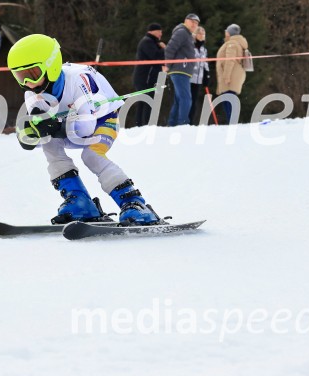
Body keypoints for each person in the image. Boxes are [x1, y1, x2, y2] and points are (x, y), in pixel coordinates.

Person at [10, 34, 161, 226]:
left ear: (51, 65)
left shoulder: (76, 79)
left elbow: (86, 127)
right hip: (69, 127)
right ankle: (79, 202)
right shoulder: (31, 93)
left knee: (91, 155)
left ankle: (134, 203)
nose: (28, 84)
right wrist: (30, 136)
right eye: (20, 77)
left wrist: (54, 126)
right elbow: (41, 131)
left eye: (33, 74)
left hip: (103, 120)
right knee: (49, 143)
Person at [164, 13, 200, 126]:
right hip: (179, 70)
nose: (194, 24)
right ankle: (183, 123)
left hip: (182, 71)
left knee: (179, 99)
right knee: (186, 99)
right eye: (192, 21)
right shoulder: (182, 32)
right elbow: (170, 48)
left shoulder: (187, 34)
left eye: (197, 23)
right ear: (186, 21)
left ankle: (173, 123)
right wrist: (167, 65)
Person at [131, 23, 165, 127]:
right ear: (152, 31)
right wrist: (164, 49)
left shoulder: (152, 42)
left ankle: (140, 124)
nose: (161, 34)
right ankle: (145, 124)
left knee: (144, 101)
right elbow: (155, 56)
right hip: (144, 78)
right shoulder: (147, 42)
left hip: (146, 77)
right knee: (147, 100)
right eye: (159, 31)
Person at [215, 24, 249, 123]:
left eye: (226, 31)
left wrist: (226, 76)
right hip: (235, 74)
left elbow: (229, 61)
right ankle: (232, 121)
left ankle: (232, 121)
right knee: (229, 98)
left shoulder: (232, 44)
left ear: (229, 33)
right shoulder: (237, 43)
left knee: (229, 98)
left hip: (231, 75)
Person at [189, 25, 210, 124]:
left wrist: (206, 76)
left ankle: (191, 122)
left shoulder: (204, 49)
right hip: (188, 78)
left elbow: (205, 63)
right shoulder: (190, 46)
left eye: (203, 33)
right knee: (187, 100)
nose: (202, 35)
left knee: (194, 101)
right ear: (195, 34)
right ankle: (183, 121)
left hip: (198, 79)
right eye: (200, 33)